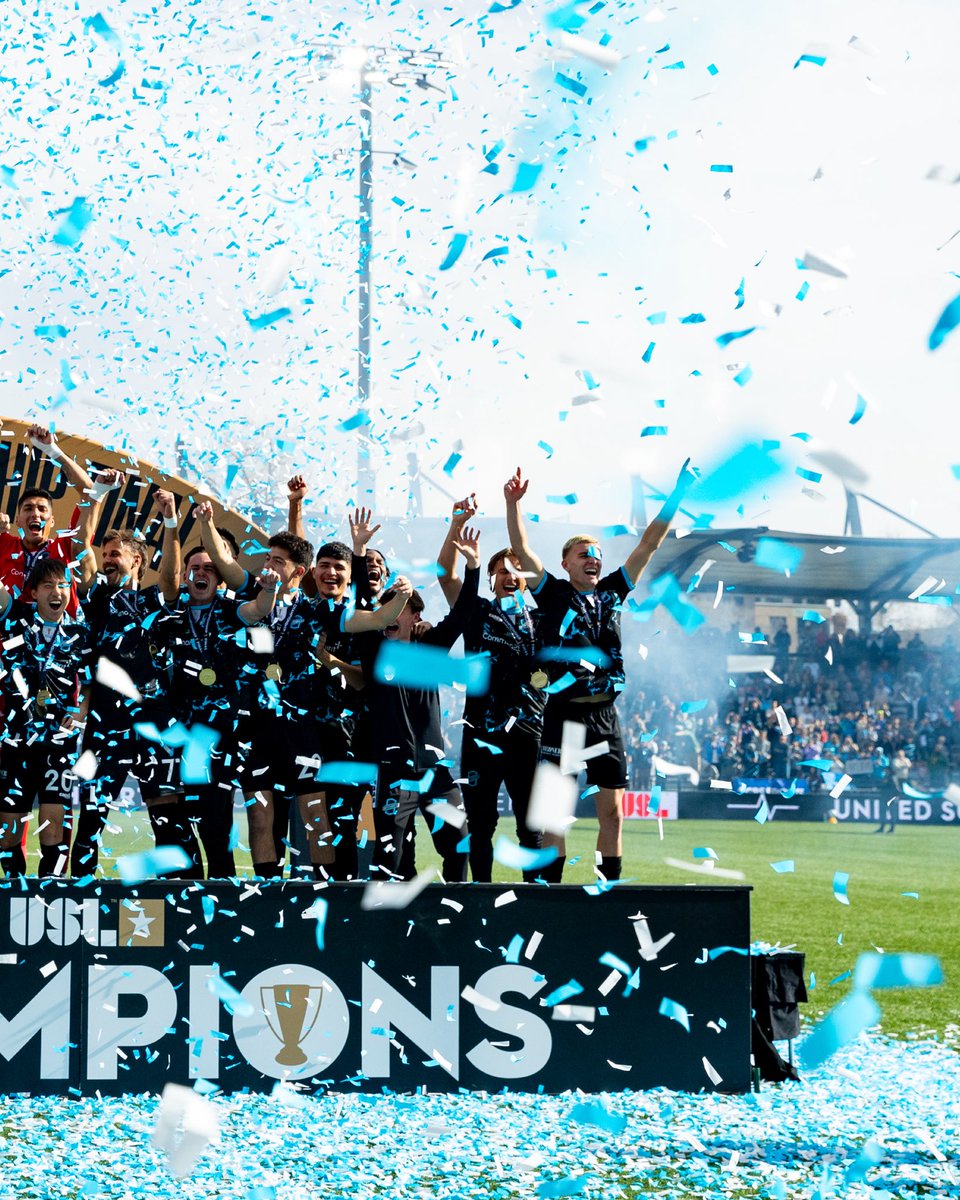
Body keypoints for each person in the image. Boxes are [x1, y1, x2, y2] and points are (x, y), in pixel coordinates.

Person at [504, 460, 694, 883]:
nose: (593, 560)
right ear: (566, 563)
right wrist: (512, 503)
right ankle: (552, 897)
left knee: (613, 812)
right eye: (583, 555)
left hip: (606, 718)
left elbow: (648, 544)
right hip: (564, 716)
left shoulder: (613, 591)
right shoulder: (551, 593)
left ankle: (607, 892)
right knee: (556, 815)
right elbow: (521, 548)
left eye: (597, 555)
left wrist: (677, 494)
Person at [234, 530, 411, 879]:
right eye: (268, 560)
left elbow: (375, 619)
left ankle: (325, 885)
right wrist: (268, 589)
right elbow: (253, 611)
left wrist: (401, 597)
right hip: (257, 726)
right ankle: (265, 889)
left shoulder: (320, 612)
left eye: (277, 561)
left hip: (305, 729)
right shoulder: (252, 600)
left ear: (300, 571)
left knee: (315, 812)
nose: (269, 566)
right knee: (260, 812)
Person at [71, 485, 189, 876]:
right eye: (105, 555)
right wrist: (98, 493)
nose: (107, 561)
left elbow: (172, 579)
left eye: (115, 555)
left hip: (156, 722)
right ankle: (78, 893)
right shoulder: (96, 600)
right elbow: (80, 550)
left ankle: (181, 901)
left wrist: (170, 520)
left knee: (167, 816)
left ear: (137, 560)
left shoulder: (154, 600)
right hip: (105, 723)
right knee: (90, 817)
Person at [362, 528, 481, 882]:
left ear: (415, 617)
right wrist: (358, 553)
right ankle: (389, 927)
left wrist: (473, 569)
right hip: (394, 772)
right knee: (389, 859)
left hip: (437, 773)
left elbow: (461, 617)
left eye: (401, 607)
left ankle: (454, 915)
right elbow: (359, 601)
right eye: (387, 607)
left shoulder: (430, 652)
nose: (392, 612)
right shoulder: (374, 651)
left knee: (460, 844)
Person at [436, 497, 544, 882]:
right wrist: (456, 525)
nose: (510, 575)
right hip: (479, 732)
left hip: (529, 733)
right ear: (490, 579)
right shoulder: (476, 611)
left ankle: (533, 900)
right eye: (500, 571)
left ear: (527, 579)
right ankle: (480, 898)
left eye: (516, 570)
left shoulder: (543, 619)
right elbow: (444, 576)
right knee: (481, 825)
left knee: (531, 827)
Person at [167, 517, 281, 877]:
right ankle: (204, 895)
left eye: (210, 568)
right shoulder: (171, 616)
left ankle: (241, 898)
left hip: (233, 733)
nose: (202, 573)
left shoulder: (234, 610)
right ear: (185, 575)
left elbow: (259, 609)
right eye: (194, 568)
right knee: (197, 824)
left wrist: (271, 592)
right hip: (188, 737)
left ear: (220, 577)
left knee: (238, 821)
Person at [0, 559, 89, 876]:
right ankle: (14, 892)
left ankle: (49, 895)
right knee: (8, 832)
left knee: (53, 830)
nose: (57, 592)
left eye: (64, 585)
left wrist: (80, 710)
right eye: (49, 585)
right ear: (34, 592)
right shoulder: (16, 619)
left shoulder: (80, 633)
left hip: (59, 744)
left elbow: (91, 682)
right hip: (16, 740)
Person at [0, 424, 100, 613]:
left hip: (58, 640)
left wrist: (51, 450)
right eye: (28, 508)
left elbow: (89, 492)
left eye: (41, 509)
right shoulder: (3, 544)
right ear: (17, 520)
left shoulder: (64, 547)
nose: (35, 514)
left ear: (52, 521)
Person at [878, 747, 911, 833]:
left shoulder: (892, 778)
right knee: (885, 812)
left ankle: (890, 828)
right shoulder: (889, 777)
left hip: (890, 797)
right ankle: (883, 827)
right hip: (886, 797)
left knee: (891, 813)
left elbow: (896, 789)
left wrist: (896, 796)